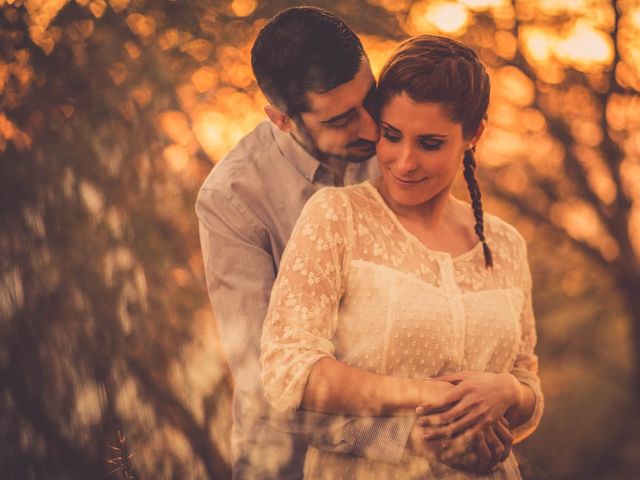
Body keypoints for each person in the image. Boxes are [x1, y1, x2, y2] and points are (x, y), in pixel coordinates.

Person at [197, 7, 508, 478]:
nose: (370, 129)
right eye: (342, 119)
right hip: (287, 462)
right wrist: (405, 437)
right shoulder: (233, 200)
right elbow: (265, 382)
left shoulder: (395, 148)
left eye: (371, 101)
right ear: (282, 119)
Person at [260, 34, 544, 479]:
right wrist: (423, 400)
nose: (404, 161)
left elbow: (527, 383)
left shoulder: (505, 244)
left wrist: (507, 391)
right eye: (391, 136)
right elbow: (289, 370)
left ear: (473, 135)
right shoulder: (339, 217)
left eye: (430, 143)